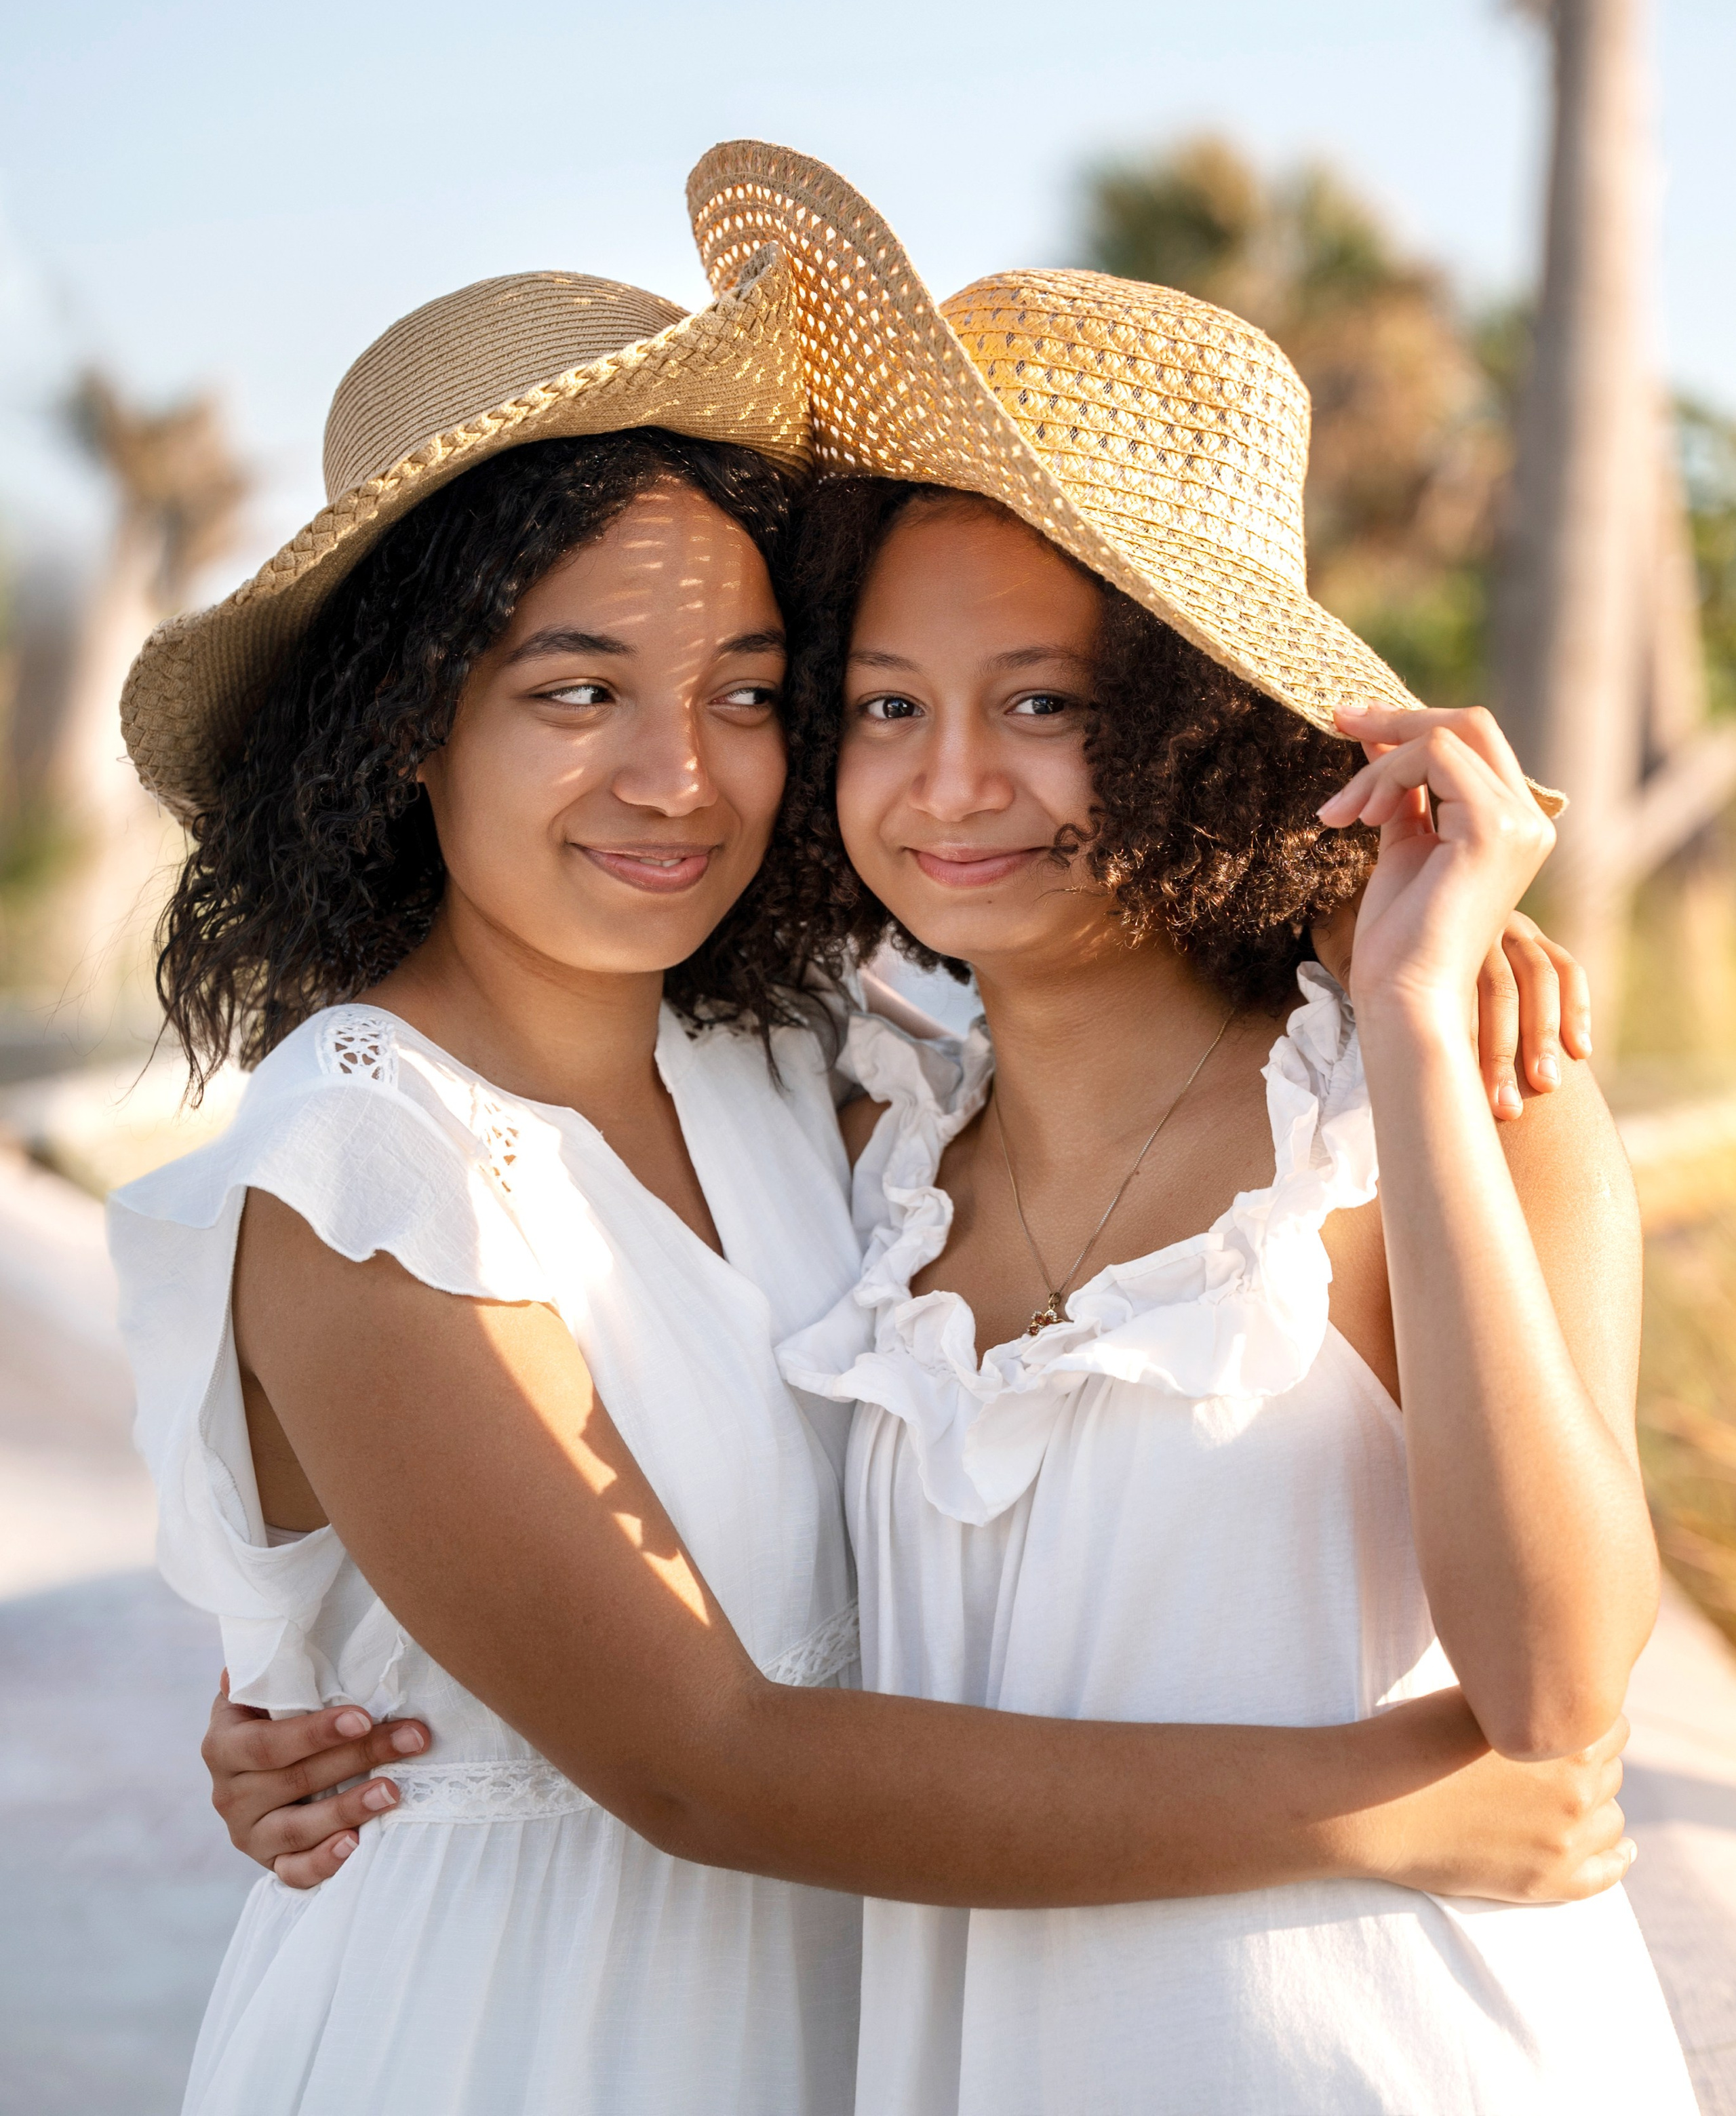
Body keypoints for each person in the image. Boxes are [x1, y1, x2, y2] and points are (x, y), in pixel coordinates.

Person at [145, 248, 1630, 2116]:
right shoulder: (388, 1147)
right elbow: (697, 1754)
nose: (680, 777)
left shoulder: (820, 1095)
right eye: (577, 688)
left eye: (757, 695)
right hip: (529, 2037)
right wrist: (1402, 1808)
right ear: (403, 717)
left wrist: (1387, 964)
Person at [675, 144, 1696, 2113]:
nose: (949, 784)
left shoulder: (1446, 1094)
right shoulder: (862, 1144)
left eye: (1042, 703)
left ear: (1198, 714)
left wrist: (1401, 1005)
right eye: (883, 706)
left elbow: (1561, 1692)